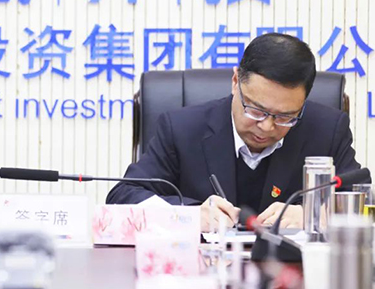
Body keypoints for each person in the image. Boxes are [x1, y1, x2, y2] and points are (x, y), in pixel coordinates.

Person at [106, 33, 362, 232]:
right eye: (256, 110)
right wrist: (188, 215)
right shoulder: (182, 128)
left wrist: (314, 214)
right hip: (203, 271)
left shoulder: (327, 129)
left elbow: (359, 202)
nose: (267, 126)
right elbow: (123, 197)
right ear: (235, 82)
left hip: (294, 275)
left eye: (285, 116)